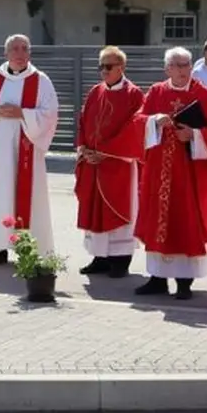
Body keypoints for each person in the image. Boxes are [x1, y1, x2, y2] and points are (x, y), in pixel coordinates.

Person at [133, 47, 207, 300]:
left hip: (189, 172)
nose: (183, 70)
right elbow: (138, 120)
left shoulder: (202, 93)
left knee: (186, 220)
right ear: (167, 69)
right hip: (159, 169)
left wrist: (194, 135)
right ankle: (157, 278)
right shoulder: (156, 91)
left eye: (186, 64)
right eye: (177, 65)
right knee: (157, 218)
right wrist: (154, 120)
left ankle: (185, 282)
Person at [0, 34, 60, 264]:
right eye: (15, 49)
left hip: (27, 149)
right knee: (0, 195)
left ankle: (27, 250)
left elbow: (50, 113)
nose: (20, 54)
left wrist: (23, 113)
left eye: (24, 49)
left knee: (27, 197)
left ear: (29, 53)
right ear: (6, 53)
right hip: (0, 150)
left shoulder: (41, 81)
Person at [74, 46, 145, 278]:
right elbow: (84, 121)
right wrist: (84, 148)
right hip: (94, 164)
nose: (103, 71)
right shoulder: (96, 91)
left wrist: (105, 152)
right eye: (101, 66)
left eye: (108, 66)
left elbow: (134, 128)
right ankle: (100, 257)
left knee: (118, 210)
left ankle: (120, 260)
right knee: (95, 209)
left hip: (117, 165)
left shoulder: (133, 94)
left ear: (121, 67)